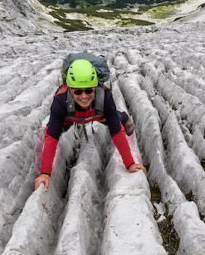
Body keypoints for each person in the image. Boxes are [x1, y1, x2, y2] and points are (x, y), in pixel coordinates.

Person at [34, 58, 145, 190]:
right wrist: (45, 173)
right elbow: (52, 137)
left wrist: (130, 164)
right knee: (52, 130)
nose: (84, 96)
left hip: (97, 114)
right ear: (69, 89)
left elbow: (117, 132)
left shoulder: (104, 97)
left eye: (88, 90)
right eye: (78, 91)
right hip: (71, 117)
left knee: (113, 118)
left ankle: (123, 116)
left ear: (95, 87)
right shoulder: (61, 100)